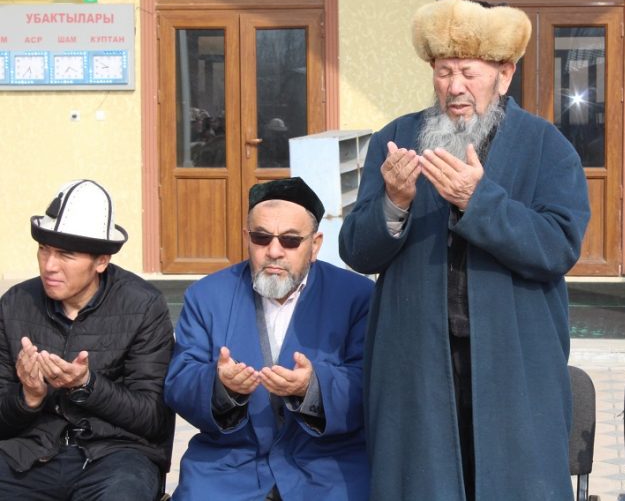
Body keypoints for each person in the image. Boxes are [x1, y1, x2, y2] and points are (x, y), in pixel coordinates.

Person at [338, 0, 591, 501]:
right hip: (417, 362)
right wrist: (394, 202)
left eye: (468, 72)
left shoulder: (545, 146)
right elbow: (357, 251)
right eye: (443, 71)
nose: (455, 87)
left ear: (505, 74)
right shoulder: (398, 139)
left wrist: (479, 202)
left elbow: (559, 245)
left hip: (513, 360)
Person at [165, 177, 373, 501]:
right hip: (230, 466)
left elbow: (371, 383)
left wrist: (312, 388)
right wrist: (220, 386)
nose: (274, 251)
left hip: (326, 466)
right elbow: (179, 381)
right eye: (261, 238)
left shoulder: (357, 297)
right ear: (246, 238)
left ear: (315, 245)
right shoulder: (205, 296)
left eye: (290, 241)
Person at [0, 179, 175, 499]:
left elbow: (153, 418)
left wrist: (86, 385)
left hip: (117, 455)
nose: (49, 266)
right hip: (29, 454)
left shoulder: (143, 306)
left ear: (101, 261)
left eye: (65, 254)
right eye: (43, 249)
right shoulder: (15, 304)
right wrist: (28, 397)